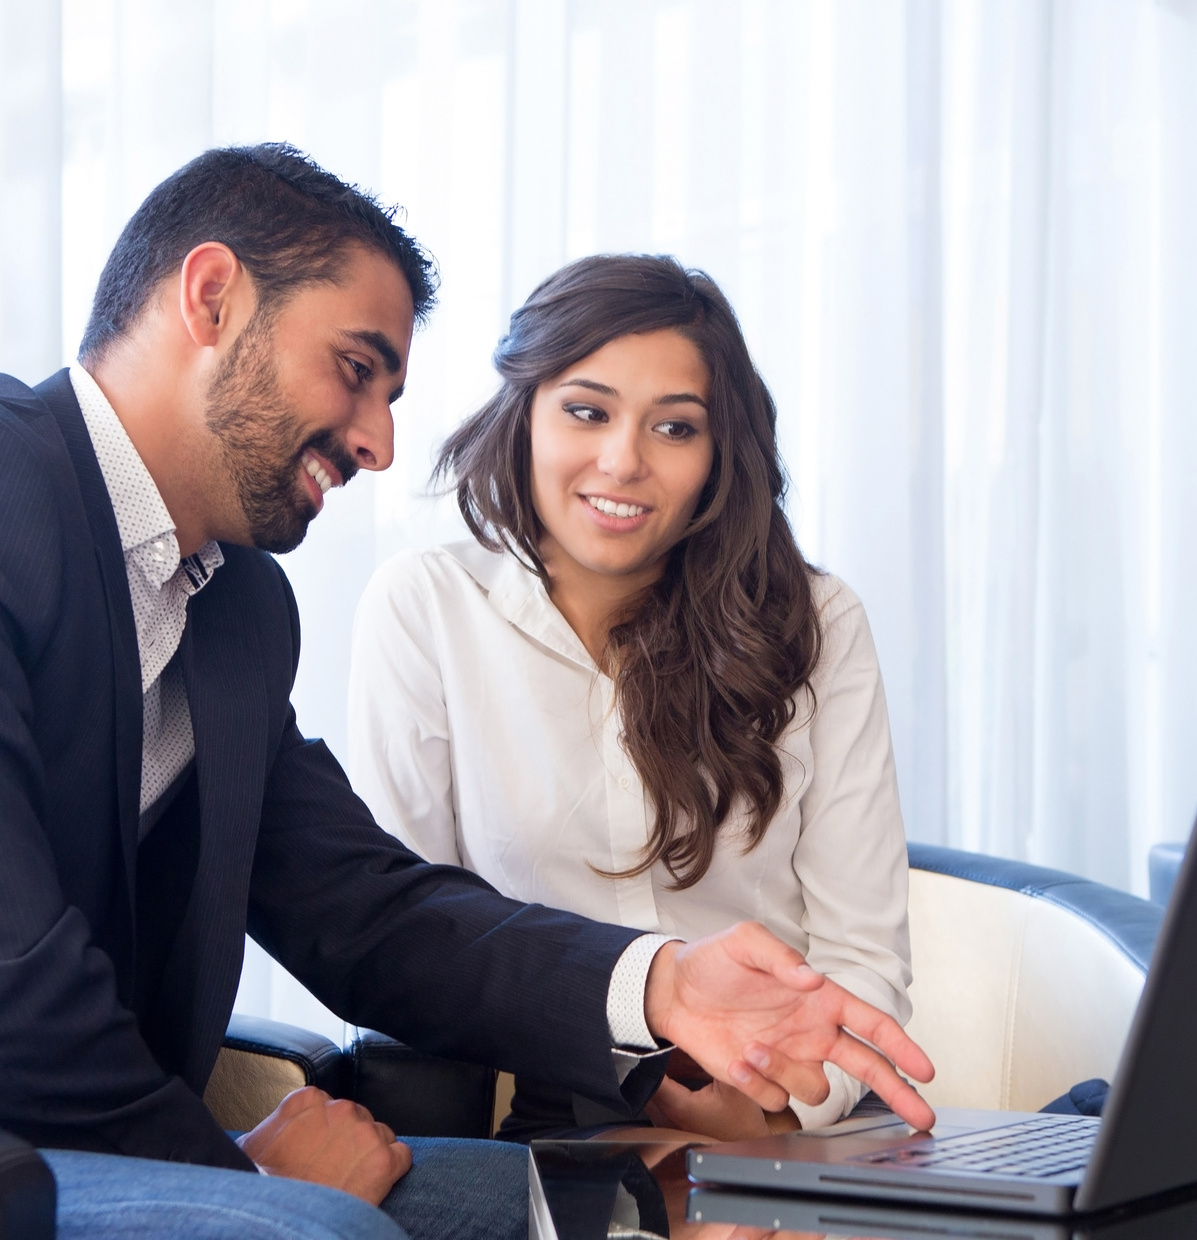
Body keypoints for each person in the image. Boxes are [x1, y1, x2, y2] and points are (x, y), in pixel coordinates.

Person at [0, 145, 935, 1240]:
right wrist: (234, 1179)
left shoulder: (230, 606)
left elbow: (365, 910)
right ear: (210, 295)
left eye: (392, 395)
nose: (377, 440)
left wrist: (656, 985)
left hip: (41, 1145)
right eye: (356, 370)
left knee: (594, 1223)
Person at [347, 255, 911, 1143]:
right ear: (524, 412)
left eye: (675, 428)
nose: (623, 462)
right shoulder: (425, 607)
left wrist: (782, 1102)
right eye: (586, 411)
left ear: (721, 453)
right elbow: (401, 939)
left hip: (779, 1104)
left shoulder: (818, 622)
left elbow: (862, 951)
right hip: (543, 1113)